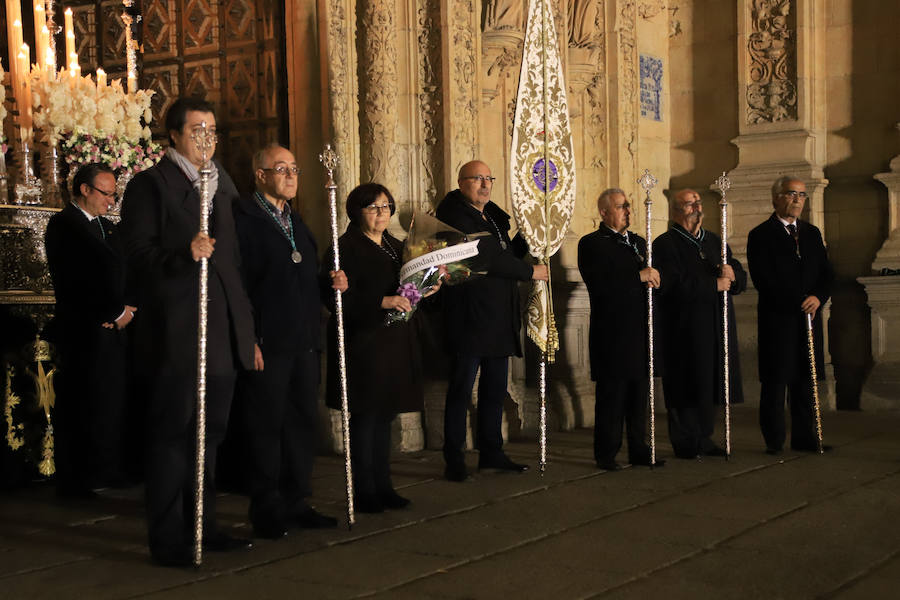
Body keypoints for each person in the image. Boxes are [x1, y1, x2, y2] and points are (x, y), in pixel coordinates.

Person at [120, 97, 262, 567]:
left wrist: (247, 334)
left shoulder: (222, 187)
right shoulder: (150, 186)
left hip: (220, 332)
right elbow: (137, 254)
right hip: (178, 332)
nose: (207, 139)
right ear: (175, 135)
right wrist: (185, 254)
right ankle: (168, 538)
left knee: (211, 435)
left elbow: (233, 266)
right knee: (173, 435)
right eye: (197, 129)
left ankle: (204, 523)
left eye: (212, 130)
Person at [233, 143, 345, 538]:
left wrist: (330, 284)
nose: (291, 176)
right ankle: (265, 506)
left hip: (303, 339)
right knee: (266, 426)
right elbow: (239, 285)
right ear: (260, 175)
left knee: (301, 423)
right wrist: (248, 338)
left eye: (294, 169)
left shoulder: (296, 221)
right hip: (268, 340)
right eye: (281, 169)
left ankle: (296, 500)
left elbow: (303, 278)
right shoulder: (242, 218)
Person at [436, 160, 548, 482]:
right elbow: (484, 257)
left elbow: (505, 253)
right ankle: (454, 458)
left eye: (489, 178)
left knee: (495, 390)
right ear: (461, 182)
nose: (485, 185)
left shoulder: (493, 216)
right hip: (469, 316)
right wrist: (529, 271)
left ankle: (491, 453)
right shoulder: (454, 216)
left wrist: (530, 232)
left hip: (498, 316)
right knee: (461, 390)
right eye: (477, 179)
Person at [321, 183, 429, 513]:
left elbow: (408, 288)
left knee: (385, 415)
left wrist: (426, 286)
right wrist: (383, 301)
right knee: (366, 416)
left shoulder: (396, 246)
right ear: (356, 212)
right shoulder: (344, 248)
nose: (381, 213)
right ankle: (364, 490)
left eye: (386, 206)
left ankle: (384, 486)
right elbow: (334, 297)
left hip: (393, 341)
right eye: (373, 207)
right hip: (363, 343)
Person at [44, 163, 136, 498]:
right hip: (83, 329)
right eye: (106, 193)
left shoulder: (107, 228)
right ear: (84, 189)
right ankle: (79, 477)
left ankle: (107, 467)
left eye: (114, 195)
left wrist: (127, 308)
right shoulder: (64, 225)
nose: (111, 201)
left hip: (112, 329)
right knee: (83, 401)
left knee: (110, 400)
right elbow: (77, 278)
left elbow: (124, 271)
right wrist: (112, 311)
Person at [653, 189, 746, 459]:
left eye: (698, 202)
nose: (696, 207)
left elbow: (738, 275)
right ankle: (685, 440)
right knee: (686, 381)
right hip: (684, 326)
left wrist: (733, 275)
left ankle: (704, 437)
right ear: (675, 211)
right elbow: (670, 284)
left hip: (716, 323)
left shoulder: (715, 240)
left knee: (711, 382)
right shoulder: (665, 244)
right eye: (689, 204)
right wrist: (712, 285)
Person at [747, 176, 834, 455]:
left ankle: (805, 437)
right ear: (776, 198)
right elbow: (764, 279)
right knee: (776, 380)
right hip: (779, 319)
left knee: (805, 379)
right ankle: (774, 440)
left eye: (802, 195)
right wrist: (799, 301)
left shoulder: (811, 233)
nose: (798, 200)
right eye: (791, 194)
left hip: (809, 317)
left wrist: (818, 297)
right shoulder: (760, 235)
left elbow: (826, 274)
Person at [577, 188, 662, 470]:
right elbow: (601, 284)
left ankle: (639, 449)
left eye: (628, 205)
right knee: (612, 396)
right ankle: (606, 453)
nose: (627, 210)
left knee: (639, 395)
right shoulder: (592, 244)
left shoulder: (638, 242)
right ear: (603, 212)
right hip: (612, 332)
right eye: (620, 206)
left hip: (640, 329)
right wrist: (638, 276)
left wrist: (656, 278)